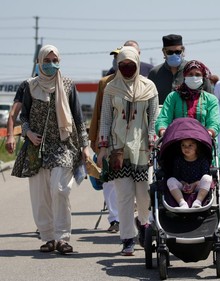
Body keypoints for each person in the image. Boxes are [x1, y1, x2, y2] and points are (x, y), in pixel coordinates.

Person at [13, 44, 90, 254]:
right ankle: (48, 238)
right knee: (40, 196)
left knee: (60, 189)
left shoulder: (67, 85)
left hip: (63, 144)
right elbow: (24, 116)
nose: (50, 64)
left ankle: (62, 238)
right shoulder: (30, 86)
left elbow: (78, 117)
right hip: (36, 148)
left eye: (54, 60)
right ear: (39, 62)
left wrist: (85, 146)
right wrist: (27, 133)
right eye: (46, 61)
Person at [96, 46, 159, 256]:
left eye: (131, 65)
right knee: (123, 195)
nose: (126, 69)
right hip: (118, 148)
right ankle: (127, 239)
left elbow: (154, 118)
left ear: (138, 64)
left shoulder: (149, 87)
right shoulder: (111, 88)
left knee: (143, 195)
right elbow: (105, 119)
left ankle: (143, 223)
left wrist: (152, 141)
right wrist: (103, 148)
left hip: (142, 149)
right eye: (122, 65)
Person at [88, 49, 119, 234]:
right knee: (108, 180)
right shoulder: (104, 83)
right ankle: (115, 219)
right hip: (107, 139)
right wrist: (95, 140)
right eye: (116, 58)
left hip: (132, 140)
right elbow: (98, 113)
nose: (118, 61)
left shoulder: (143, 83)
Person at [155, 59, 220, 138]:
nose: (194, 77)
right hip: (177, 141)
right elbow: (163, 118)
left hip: (203, 142)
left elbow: (214, 122)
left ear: (203, 77)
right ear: (185, 76)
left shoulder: (210, 99)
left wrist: (209, 133)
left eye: (197, 75)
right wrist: (163, 131)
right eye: (190, 74)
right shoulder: (173, 97)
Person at [148, 34, 212, 105]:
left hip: (190, 115)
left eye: (177, 52)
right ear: (164, 52)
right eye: (170, 52)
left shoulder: (195, 70)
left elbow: (210, 99)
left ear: (183, 50)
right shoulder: (154, 73)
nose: (174, 55)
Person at [167, 138, 212, 208]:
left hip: (198, 185)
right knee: (170, 180)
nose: (186, 148)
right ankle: (182, 203)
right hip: (183, 185)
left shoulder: (203, 160)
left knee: (207, 178)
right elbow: (176, 176)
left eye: (190, 145)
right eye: (183, 145)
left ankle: (198, 202)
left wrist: (194, 184)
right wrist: (184, 183)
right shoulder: (178, 160)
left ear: (197, 146)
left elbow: (204, 175)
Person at [5, 80, 27, 154]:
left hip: (56, 139)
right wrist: (10, 136)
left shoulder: (61, 84)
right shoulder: (27, 85)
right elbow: (13, 113)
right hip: (31, 137)